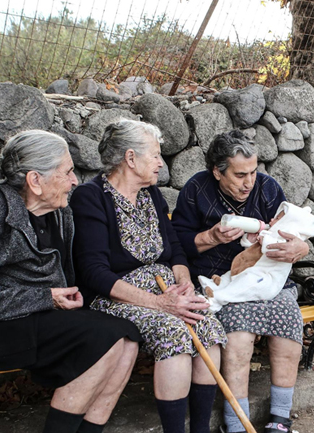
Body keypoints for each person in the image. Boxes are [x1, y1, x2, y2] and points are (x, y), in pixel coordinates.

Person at [0, 130, 141, 433]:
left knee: (128, 338)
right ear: (35, 180)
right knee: (106, 339)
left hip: (44, 317)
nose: (75, 181)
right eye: (67, 172)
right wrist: (46, 297)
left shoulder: (59, 212)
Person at [70, 119, 226, 433]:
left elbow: (175, 251)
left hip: (165, 291)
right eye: (155, 155)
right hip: (117, 298)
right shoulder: (90, 197)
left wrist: (183, 284)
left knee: (207, 325)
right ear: (130, 158)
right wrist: (159, 303)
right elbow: (94, 273)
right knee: (173, 331)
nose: (160, 163)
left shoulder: (150, 195)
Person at [171, 130, 311, 433]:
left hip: (266, 277)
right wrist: (210, 237)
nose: (249, 182)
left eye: (253, 172)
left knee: (288, 318)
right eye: (239, 175)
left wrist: (300, 248)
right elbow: (176, 244)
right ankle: (236, 423)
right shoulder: (197, 189)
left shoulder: (267, 188)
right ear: (217, 172)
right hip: (219, 283)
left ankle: (280, 418)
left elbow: (293, 229)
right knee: (238, 332)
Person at [199, 201, 314, 312]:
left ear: (286, 224)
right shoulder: (270, 234)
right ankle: (214, 286)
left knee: (246, 283)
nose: (272, 219)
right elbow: (253, 252)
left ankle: (217, 300)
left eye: (277, 218)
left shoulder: (287, 240)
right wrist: (250, 240)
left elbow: (276, 248)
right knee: (232, 276)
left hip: (266, 281)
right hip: (250, 269)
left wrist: (264, 240)